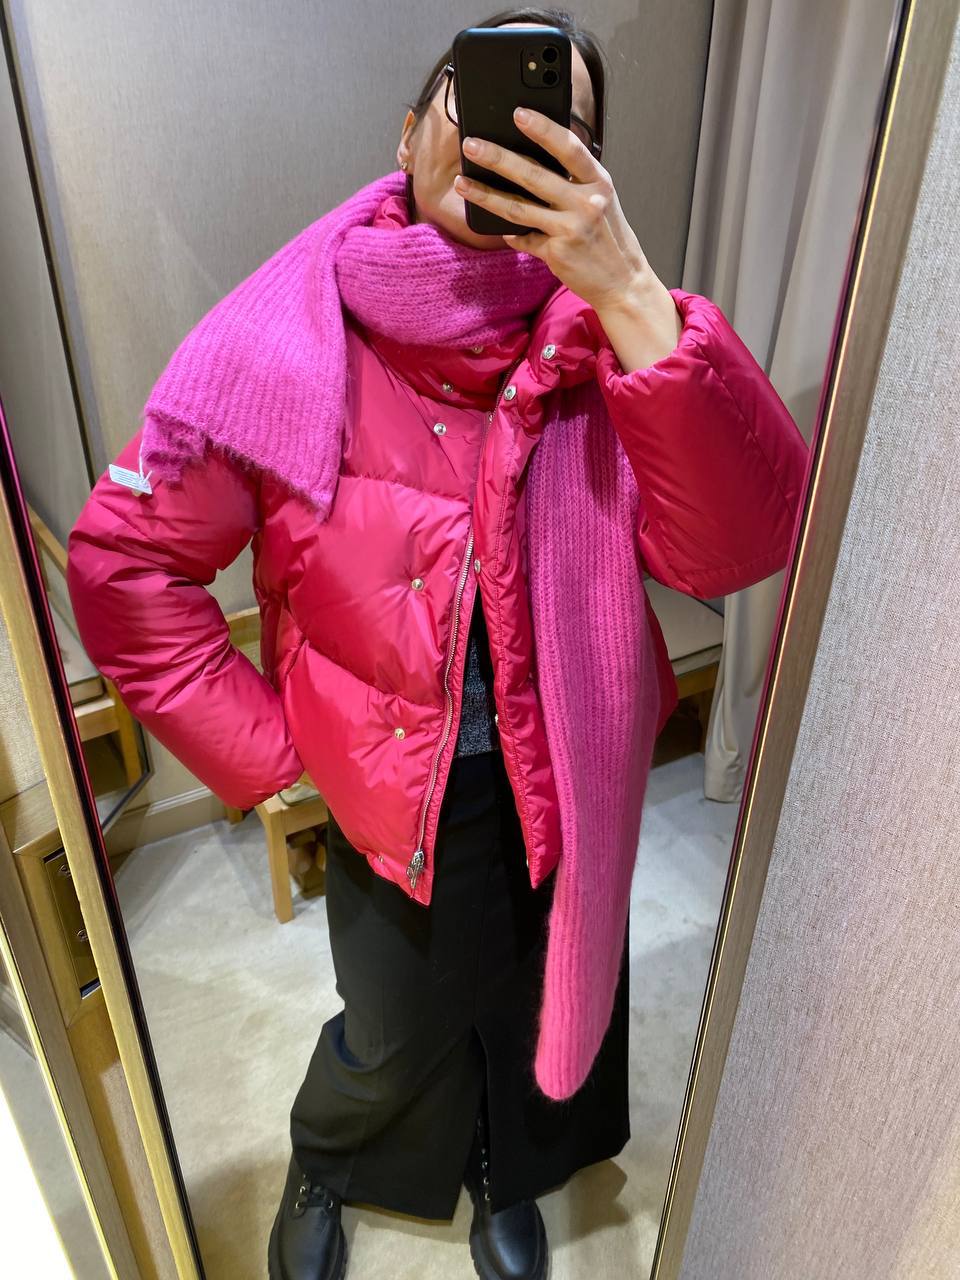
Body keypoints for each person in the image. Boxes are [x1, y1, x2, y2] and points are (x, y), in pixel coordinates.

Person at [66, 8, 810, 1280]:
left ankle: (503, 1170)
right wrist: (276, 753)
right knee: (393, 1027)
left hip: (567, 767)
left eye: (559, 124)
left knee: (539, 997)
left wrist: (631, 290)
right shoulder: (282, 343)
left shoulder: (616, 335)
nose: (510, 136)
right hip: (388, 787)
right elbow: (124, 568)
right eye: (477, 102)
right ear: (409, 133)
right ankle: (327, 1151)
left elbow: (738, 547)